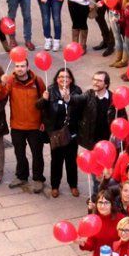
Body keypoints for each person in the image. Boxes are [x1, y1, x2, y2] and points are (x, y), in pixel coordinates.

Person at [71, 71, 127, 197]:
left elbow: (123, 121)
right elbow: (77, 100)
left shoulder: (114, 100)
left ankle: (109, 199)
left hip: (109, 146)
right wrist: (68, 98)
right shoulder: (89, 94)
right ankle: (97, 198)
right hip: (93, 144)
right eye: (94, 79)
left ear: (106, 84)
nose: (95, 82)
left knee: (109, 176)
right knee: (96, 175)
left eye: (99, 80)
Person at [0, 60, 48, 193]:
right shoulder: (9, 81)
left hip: (35, 126)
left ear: (28, 67)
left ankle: (38, 178)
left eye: (22, 66)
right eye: (17, 66)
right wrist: (1, 84)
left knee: (37, 154)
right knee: (19, 153)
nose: (19, 69)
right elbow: (0, 96)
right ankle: (22, 176)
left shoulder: (38, 81)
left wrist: (44, 121)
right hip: (17, 125)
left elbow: (44, 103)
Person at [37, 67, 82, 197]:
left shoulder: (76, 90)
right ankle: (55, 186)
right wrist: (44, 99)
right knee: (56, 161)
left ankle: (73, 185)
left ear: (71, 79)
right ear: (57, 79)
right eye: (61, 77)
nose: (64, 79)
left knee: (71, 161)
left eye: (67, 77)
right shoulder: (50, 90)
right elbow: (39, 106)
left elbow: (80, 108)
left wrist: (69, 99)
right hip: (56, 133)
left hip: (71, 132)